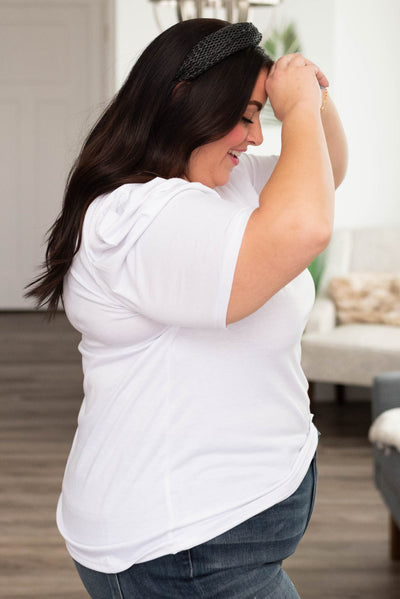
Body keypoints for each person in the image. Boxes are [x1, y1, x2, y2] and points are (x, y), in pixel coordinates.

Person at [27, 17, 347, 599]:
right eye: (246, 114)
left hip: (223, 538)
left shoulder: (219, 183)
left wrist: (312, 97)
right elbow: (305, 224)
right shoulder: (136, 218)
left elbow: (326, 176)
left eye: (261, 114)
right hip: (185, 549)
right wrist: (294, 110)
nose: (255, 137)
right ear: (186, 100)